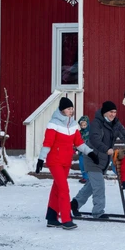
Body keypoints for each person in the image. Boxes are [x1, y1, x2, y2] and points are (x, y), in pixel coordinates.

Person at [36, 97, 90, 230]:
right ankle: (66, 219)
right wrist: (40, 159)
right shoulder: (53, 124)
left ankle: (52, 218)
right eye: (68, 109)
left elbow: (79, 143)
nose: (71, 111)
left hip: (66, 161)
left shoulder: (73, 125)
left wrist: (91, 153)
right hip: (55, 161)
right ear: (62, 110)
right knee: (64, 189)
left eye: (72, 109)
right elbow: (47, 143)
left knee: (57, 188)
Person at [70, 101, 125, 220]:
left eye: (114, 112)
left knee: (92, 186)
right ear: (104, 112)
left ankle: (74, 204)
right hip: (92, 158)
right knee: (99, 187)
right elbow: (94, 139)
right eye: (110, 112)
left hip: (103, 160)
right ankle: (98, 212)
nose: (113, 114)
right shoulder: (97, 123)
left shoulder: (116, 124)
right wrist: (106, 149)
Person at [77, 115, 91, 184]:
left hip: (89, 152)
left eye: (85, 125)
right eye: (82, 125)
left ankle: (89, 177)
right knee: (82, 164)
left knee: (88, 165)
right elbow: (76, 140)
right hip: (81, 152)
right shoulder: (79, 133)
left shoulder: (90, 132)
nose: (83, 126)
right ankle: (85, 177)